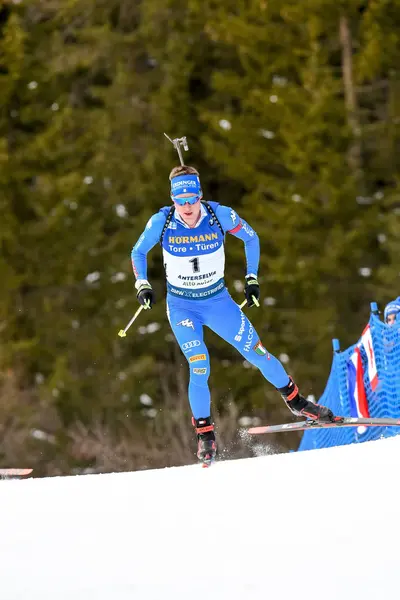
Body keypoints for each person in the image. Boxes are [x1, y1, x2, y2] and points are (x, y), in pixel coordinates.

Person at [131, 164, 338, 465]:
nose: (187, 207)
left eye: (192, 199)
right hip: (182, 307)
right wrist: (142, 284)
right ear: (172, 199)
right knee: (199, 364)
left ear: (200, 196)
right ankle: (205, 433)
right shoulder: (161, 222)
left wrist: (252, 278)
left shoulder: (220, 215)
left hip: (218, 302)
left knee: (258, 352)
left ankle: (296, 401)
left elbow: (251, 238)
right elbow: (137, 251)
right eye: (180, 200)